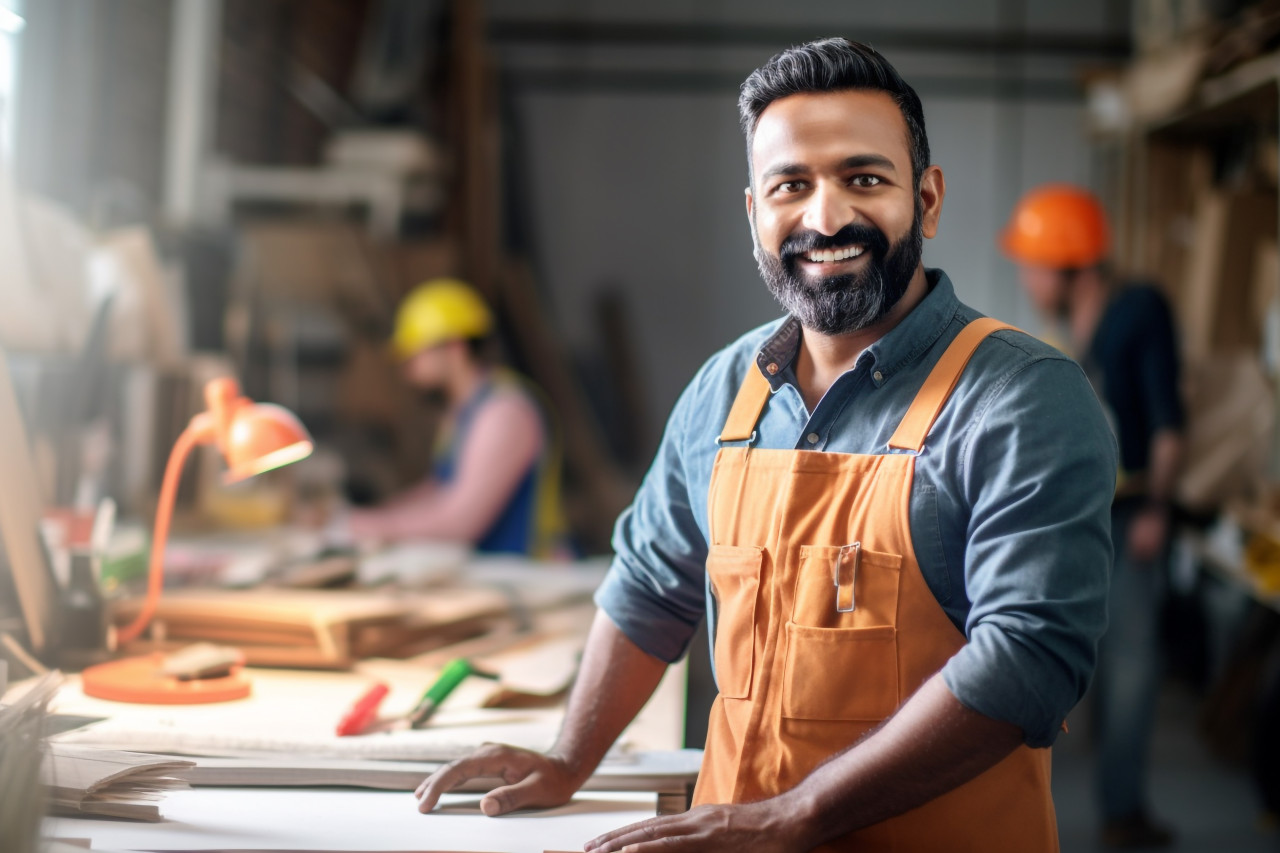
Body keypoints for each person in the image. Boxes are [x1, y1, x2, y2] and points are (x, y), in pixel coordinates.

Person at [415, 38, 1116, 851]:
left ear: (925, 199)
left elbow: (1029, 660)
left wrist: (795, 815)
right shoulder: (725, 388)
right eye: (792, 186)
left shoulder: (1019, 396)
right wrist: (571, 756)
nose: (825, 217)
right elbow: (650, 585)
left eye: (864, 178)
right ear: (755, 214)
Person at [1002, 184, 1184, 849]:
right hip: (1071, 517)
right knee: (1047, 653)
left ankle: (1121, 807)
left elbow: (1167, 423)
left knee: (1131, 667)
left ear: (1070, 262)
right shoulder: (1060, 330)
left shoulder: (1137, 312)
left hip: (1132, 517)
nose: (1026, 278)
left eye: (1033, 264)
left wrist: (1158, 507)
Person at [342, 278, 564, 556]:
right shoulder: (463, 413)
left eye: (415, 354)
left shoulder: (504, 413)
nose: (407, 368)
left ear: (455, 348)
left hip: (527, 575)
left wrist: (363, 525)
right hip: (490, 572)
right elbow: (439, 491)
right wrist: (373, 517)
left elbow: (461, 521)